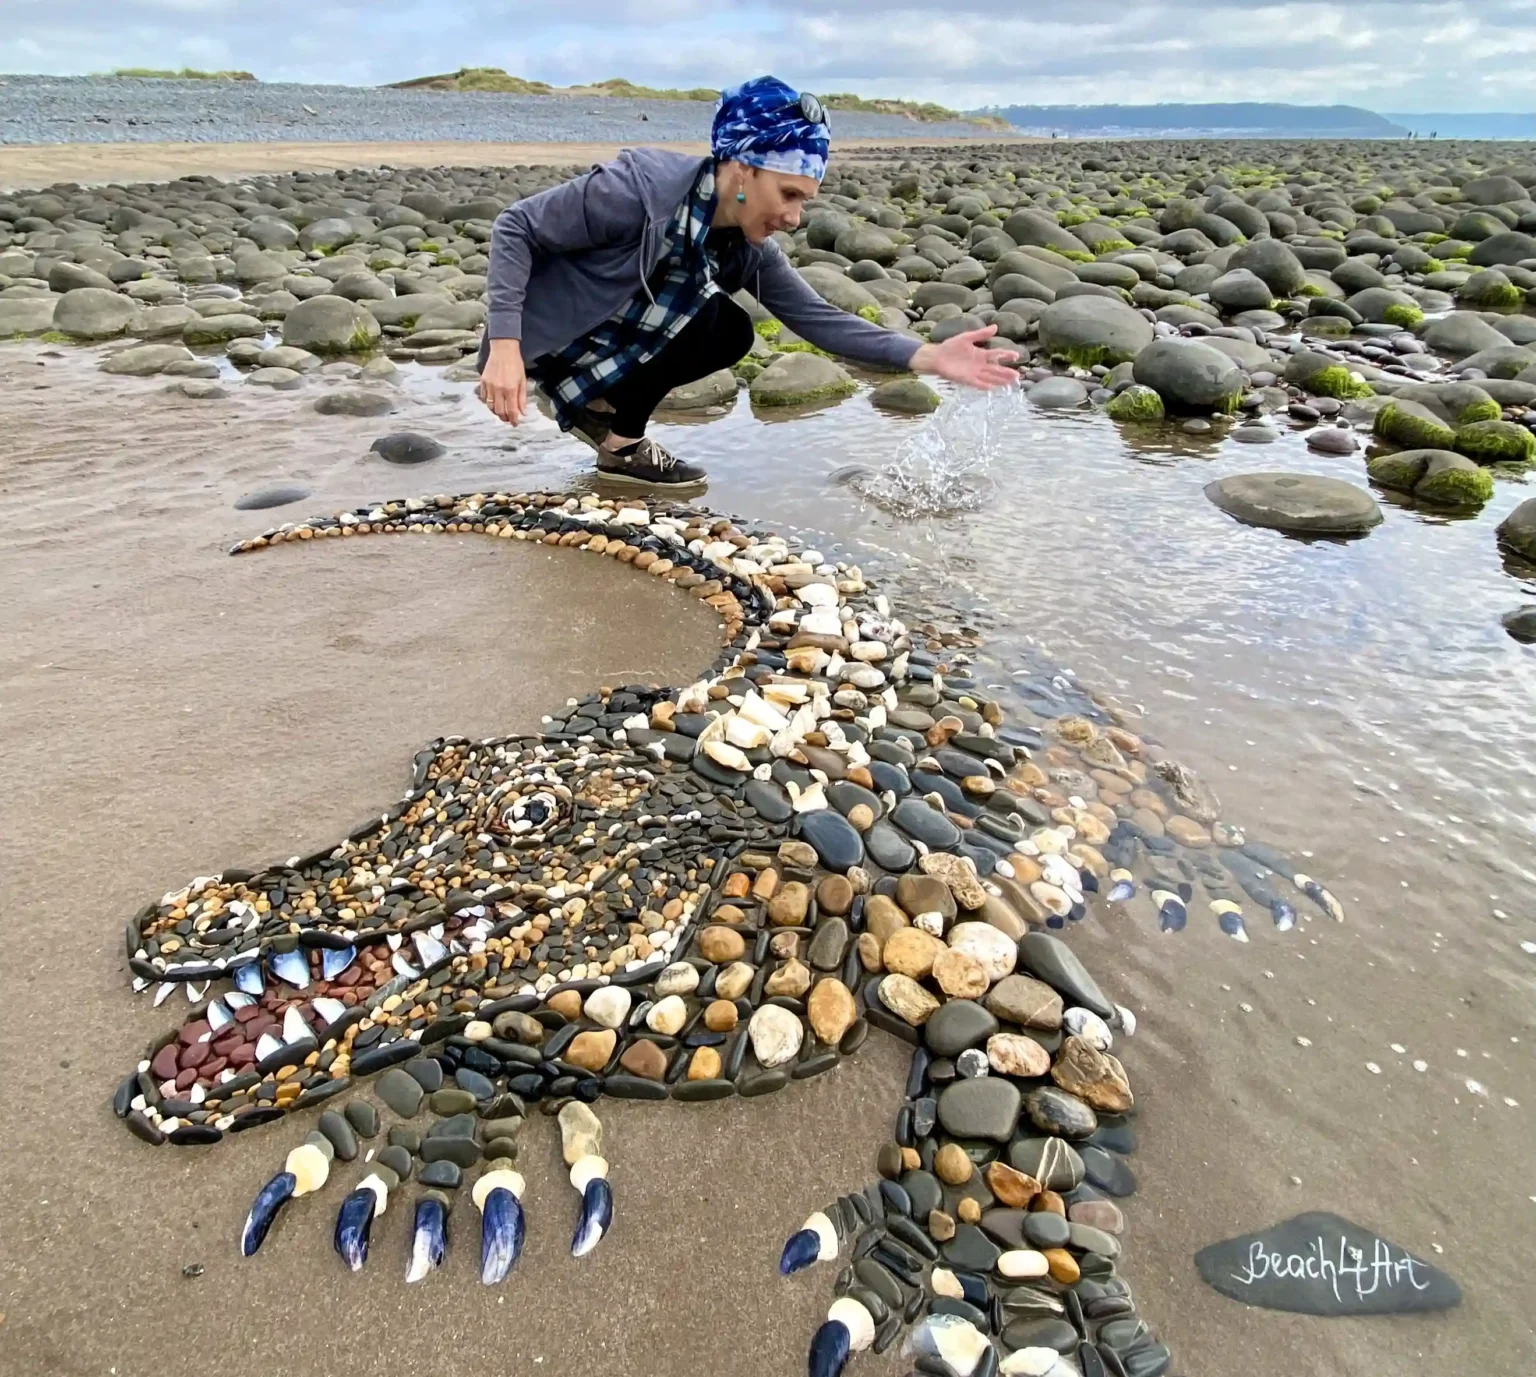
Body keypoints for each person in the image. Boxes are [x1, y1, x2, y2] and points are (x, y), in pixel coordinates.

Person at [477, 74, 1019, 490]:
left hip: (614, 342)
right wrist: (504, 346)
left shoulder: (749, 250)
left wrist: (927, 357)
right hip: (540, 341)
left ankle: (618, 442)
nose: (795, 217)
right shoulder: (636, 190)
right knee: (711, 314)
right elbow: (515, 227)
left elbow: (817, 318)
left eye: (805, 200)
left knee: (728, 329)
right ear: (742, 169)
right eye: (789, 194)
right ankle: (585, 400)